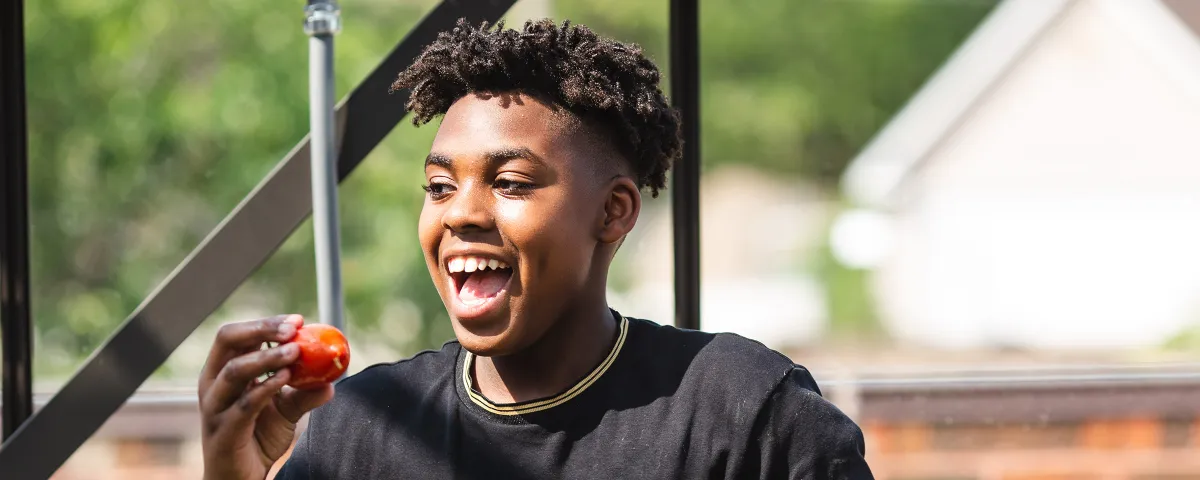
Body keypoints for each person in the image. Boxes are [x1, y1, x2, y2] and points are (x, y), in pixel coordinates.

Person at [198, 18, 874, 480]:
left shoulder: (749, 414)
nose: (461, 212)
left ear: (613, 212)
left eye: (510, 182)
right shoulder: (356, 431)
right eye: (438, 185)